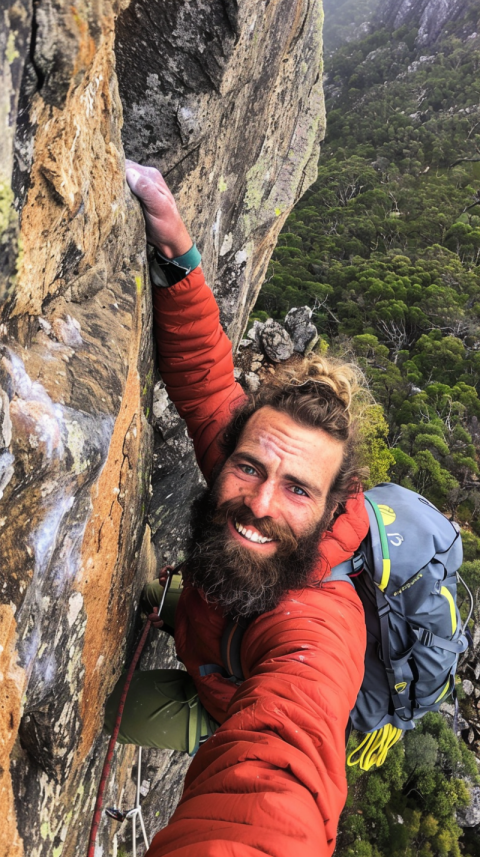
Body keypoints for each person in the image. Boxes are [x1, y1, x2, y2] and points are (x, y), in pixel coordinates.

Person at [105, 161, 370, 857]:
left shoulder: (319, 625)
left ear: (332, 505)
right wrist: (178, 257)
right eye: (250, 466)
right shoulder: (248, 456)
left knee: (95, 702)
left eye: (298, 489)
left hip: (220, 695)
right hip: (204, 616)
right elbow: (205, 380)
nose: (258, 501)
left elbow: (287, 761)